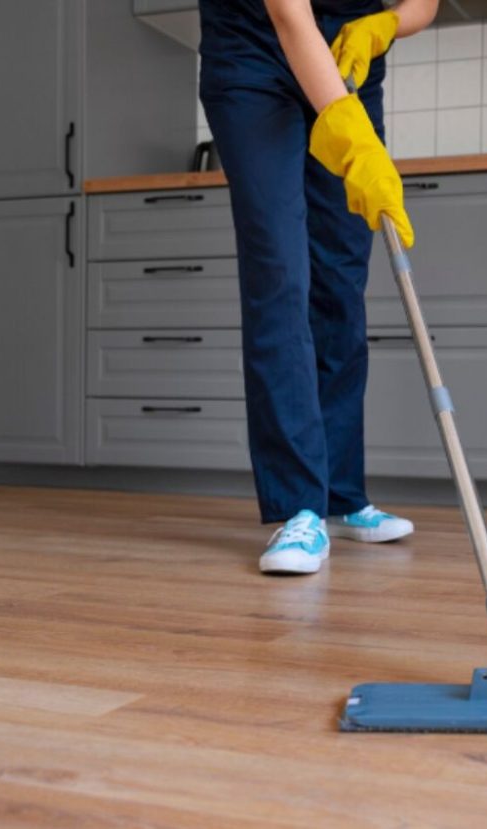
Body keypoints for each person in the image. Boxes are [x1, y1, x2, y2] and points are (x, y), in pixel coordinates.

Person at [198, 0, 438, 575]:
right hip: (254, 56)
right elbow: (288, 14)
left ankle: (340, 495)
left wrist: (386, 24)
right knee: (280, 274)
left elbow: (423, 4)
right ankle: (299, 506)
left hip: (347, 60)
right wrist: (353, 140)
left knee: (340, 280)